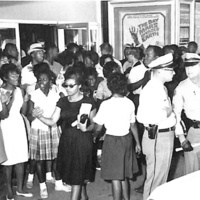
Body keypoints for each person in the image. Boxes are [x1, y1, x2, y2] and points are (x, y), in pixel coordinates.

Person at [32, 68, 96, 200]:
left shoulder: (88, 101)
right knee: (76, 176)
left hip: (83, 141)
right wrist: (39, 116)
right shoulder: (62, 101)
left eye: (71, 86)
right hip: (67, 141)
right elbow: (52, 121)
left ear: (79, 86)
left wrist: (86, 128)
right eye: (65, 85)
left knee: (77, 178)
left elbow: (95, 124)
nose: (67, 88)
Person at [26, 63, 71, 198]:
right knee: (40, 160)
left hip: (53, 129)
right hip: (39, 130)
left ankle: (58, 182)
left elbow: (59, 114)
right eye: (39, 80)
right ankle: (42, 186)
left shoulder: (55, 95)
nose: (41, 83)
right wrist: (33, 114)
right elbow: (28, 116)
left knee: (57, 157)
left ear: (50, 80)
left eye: (44, 80)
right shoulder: (33, 95)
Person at [93, 72, 141, 200]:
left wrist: (94, 135)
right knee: (123, 174)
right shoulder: (130, 103)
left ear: (110, 86)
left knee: (115, 177)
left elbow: (97, 127)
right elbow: (133, 125)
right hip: (127, 139)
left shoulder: (106, 104)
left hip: (112, 141)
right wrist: (138, 143)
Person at [137, 53, 177, 200]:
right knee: (155, 179)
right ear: (159, 71)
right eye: (170, 70)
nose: (174, 72)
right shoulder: (151, 89)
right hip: (157, 137)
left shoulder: (161, 87)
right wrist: (166, 113)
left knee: (162, 177)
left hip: (165, 136)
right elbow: (142, 117)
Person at [0, 63, 32, 199]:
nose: (16, 77)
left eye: (17, 74)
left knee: (21, 158)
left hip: (18, 125)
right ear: (5, 78)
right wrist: (4, 102)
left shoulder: (20, 90)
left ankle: (20, 188)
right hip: (6, 127)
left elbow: (23, 112)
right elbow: (4, 115)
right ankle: (9, 191)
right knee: (8, 161)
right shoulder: (0, 92)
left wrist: (25, 101)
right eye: (13, 75)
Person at [173, 53, 200, 175]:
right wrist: (182, 138)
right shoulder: (182, 87)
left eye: (193, 66)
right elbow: (175, 114)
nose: (189, 69)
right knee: (192, 172)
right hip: (194, 131)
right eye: (187, 66)